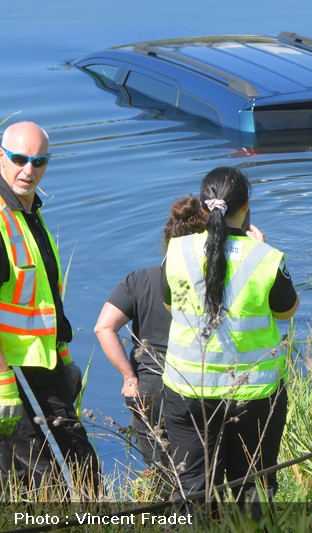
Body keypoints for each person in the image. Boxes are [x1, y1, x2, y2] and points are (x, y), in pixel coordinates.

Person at [161, 167, 299, 511]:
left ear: (203, 209)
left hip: (186, 390)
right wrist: (260, 248)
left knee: (191, 489)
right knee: (253, 485)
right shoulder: (266, 257)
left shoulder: (177, 250)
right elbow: (287, 311)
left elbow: (169, 303)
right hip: (253, 395)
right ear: (246, 206)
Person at [0, 121, 100, 498]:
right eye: (20, 159)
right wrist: (5, 387)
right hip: (15, 373)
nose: (29, 170)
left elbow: (45, 302)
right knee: (43, 478)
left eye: (39, 161)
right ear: (1, 158)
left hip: (44, 366)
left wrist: (64, 357)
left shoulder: (27, 212)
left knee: (78, 465)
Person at [94, 196, 205, 468]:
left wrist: (129, 378)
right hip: (197, 384)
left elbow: (103, 327)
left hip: (149, 387)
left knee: (160, 468)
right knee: (200, 467)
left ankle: (165, 506)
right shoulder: (212, 281)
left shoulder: (139, 279)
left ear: (168, 243)